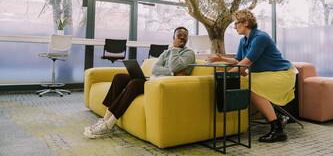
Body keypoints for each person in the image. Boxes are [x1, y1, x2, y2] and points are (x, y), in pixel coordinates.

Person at [84, 26, 195, 138]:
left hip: (163, 84)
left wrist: (175, 50)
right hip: (153, 80)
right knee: (119, 77)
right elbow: (155, 69)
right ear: (173, 37)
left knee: (135, 83)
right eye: (179, 36)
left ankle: (109, 125)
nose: (182, 38)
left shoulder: (189, 53)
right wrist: (172, 73)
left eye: (184, 36)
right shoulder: (167, 52)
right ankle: (104, 120)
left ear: (187, 38)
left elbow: (175, 66)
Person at [210, 9, 296, 143]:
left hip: (282, 74)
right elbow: (239, 61)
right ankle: (278, 117)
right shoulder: (243, 41)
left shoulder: (260, 37)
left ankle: (277, 130)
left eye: (236, 23)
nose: (234, 27)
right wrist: (222, 59)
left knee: (250, 86)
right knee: (247, 83)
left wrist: (225, 76)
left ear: (245, 23)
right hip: (266, 74)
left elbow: (247, 62)